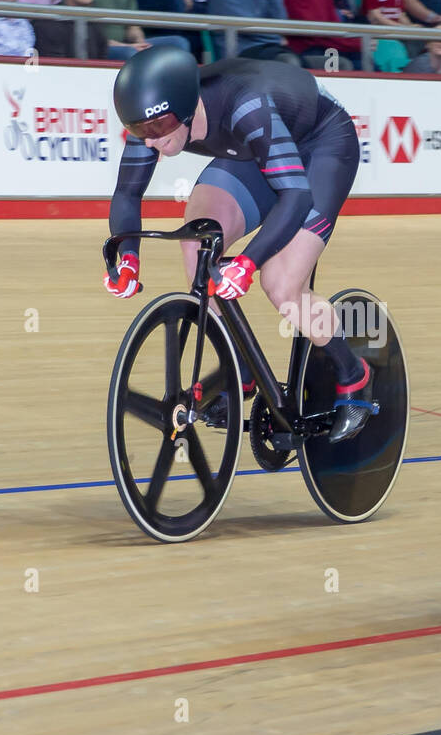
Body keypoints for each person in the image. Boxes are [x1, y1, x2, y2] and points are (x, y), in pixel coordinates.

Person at [107, 47, 377, 443]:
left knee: (282, 285)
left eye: (158, 129)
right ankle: (242, 371)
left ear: (185, 109)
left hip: (320, 145)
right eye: (139, 130)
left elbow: (297, 197)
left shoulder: (244, 106)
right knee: (199, 246)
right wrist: (127, 259)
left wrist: (247, 264)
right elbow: (127, 194)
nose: (150, 142)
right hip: (255, 151)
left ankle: (355, 376)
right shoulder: (153, 123)